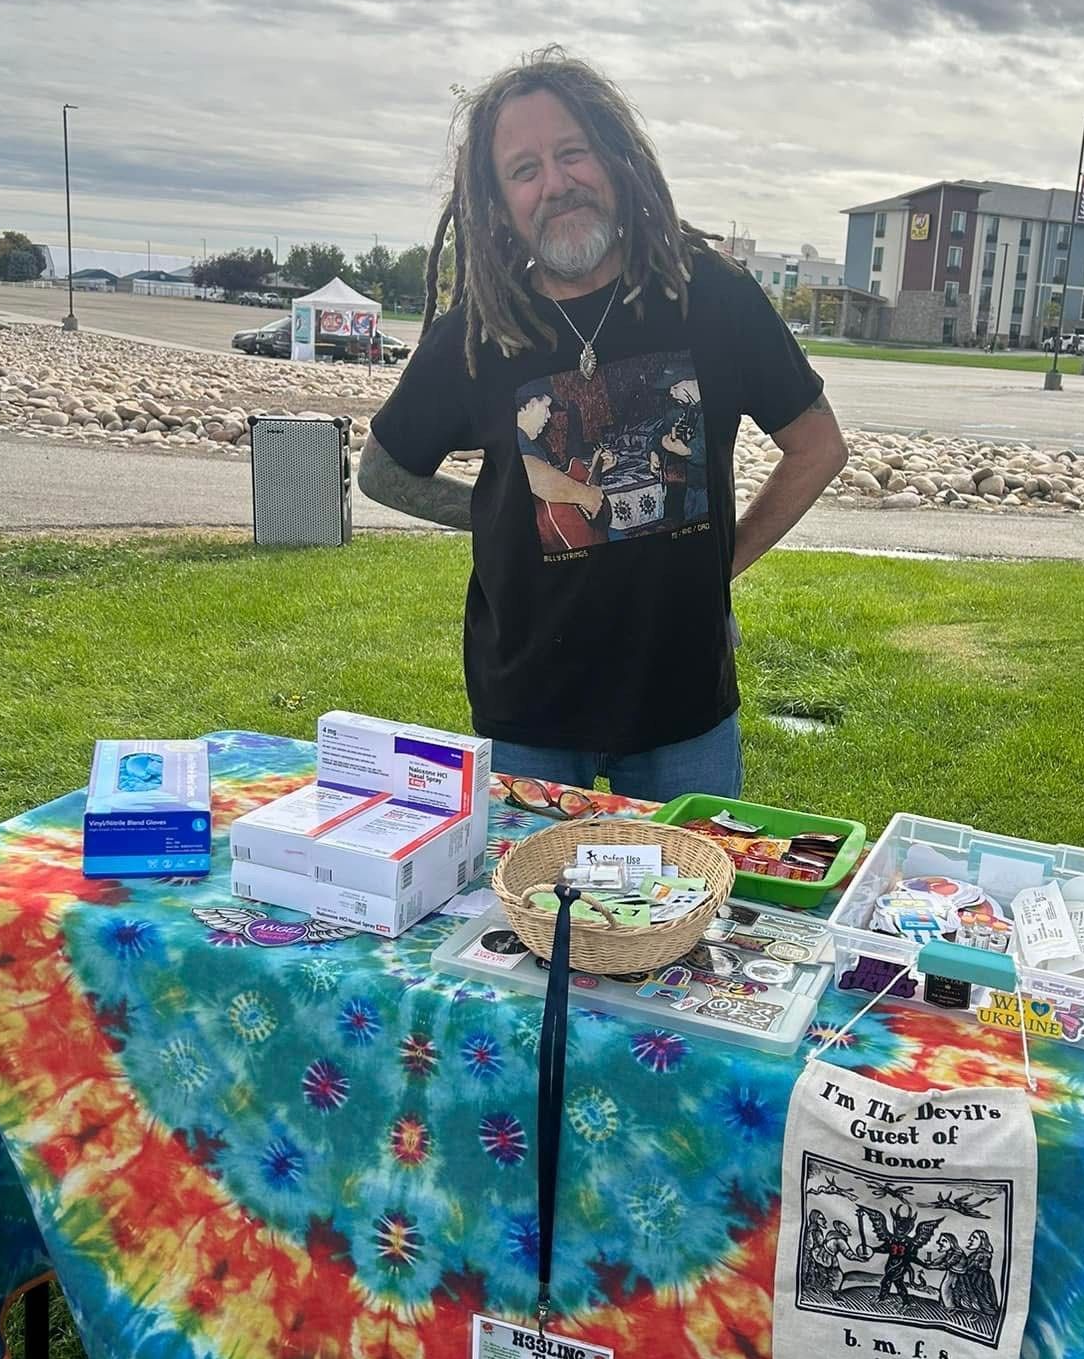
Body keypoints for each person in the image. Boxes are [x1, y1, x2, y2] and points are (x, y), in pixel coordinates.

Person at [358, 46, 847, 800]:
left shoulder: (712, 295)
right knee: (533, 914)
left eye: (572, 153)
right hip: (529, 711)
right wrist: (498, 511)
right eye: (524, 170)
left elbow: (817, 446)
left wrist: (723, 560)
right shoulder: (482, 330)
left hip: (683, 708)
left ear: (616, 159)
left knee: (683, 914)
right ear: (498, 203)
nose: (555, 184)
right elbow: (384, 472)